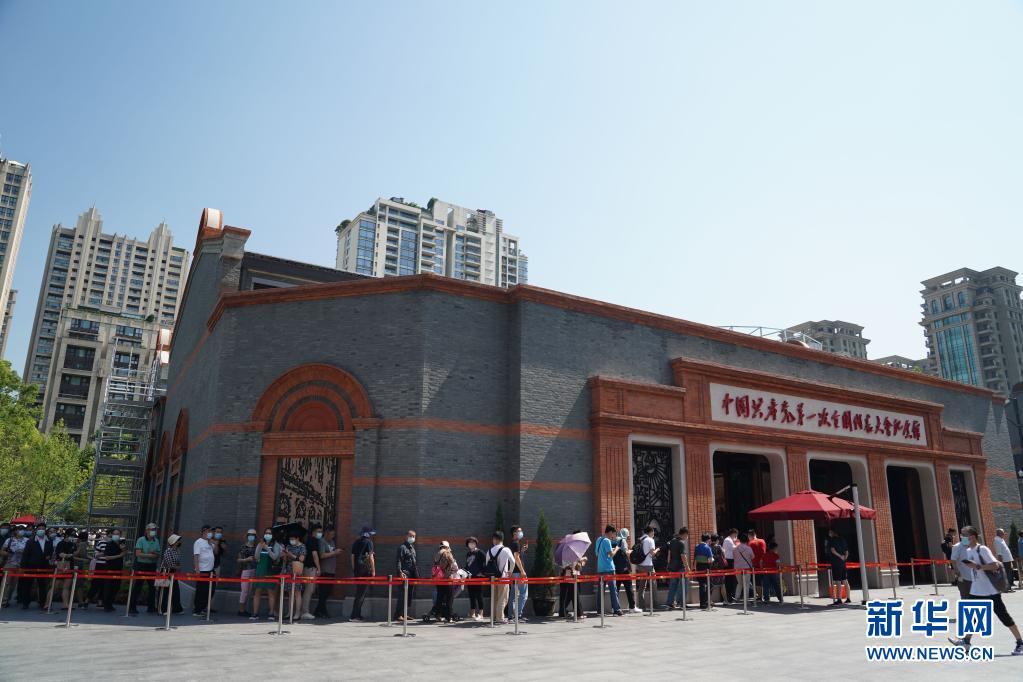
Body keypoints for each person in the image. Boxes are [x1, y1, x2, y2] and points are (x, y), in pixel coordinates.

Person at [948, 526, 1023, 656]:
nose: (962, 538)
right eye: (961, 535)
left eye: (964, 535)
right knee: (972, 617)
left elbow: (995, 565)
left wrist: (977, 566)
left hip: (990, 591)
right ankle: (966, 641)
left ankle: (1020, 643)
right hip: (976, 590)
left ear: (972, 537)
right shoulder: (969, 550)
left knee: (1004, 617)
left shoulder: (982, 549)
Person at [20, 522, 55, 609]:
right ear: (36, 530)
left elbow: (51, 552)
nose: (41, 530)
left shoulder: (49, 541)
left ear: (45, 530)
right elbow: (25, 554)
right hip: (30, 566)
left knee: (42, 585)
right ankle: (25, 602)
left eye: (43, 529)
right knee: (27, 585)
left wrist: (49, 556)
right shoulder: (30, 541)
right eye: (39, 529)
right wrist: (23, 566)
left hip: (43, 566)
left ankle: (42, 602)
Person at [250, 528, 282, 621]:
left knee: (270, 592)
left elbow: (274, 557)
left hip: (270, 570)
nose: (267, 535)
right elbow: (256, 557)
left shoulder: (275, 544)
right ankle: (255, 613)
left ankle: (271, 613)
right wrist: (261, 546)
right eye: (266, 533)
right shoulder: (260, 543)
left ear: (273, 535)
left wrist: (267, 548)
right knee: (257, 591)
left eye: (269, 533)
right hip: (260, 570)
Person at [131, 522, 161, 614]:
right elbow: (138, 554)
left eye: (155, 530)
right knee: (138, 586)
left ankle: (151, 607)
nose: (154, 531)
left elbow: (158, 553)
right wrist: (150, 555)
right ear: (147, 530)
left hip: (152, 565)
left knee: (152, 587)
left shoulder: (156, 540)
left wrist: (154, 554)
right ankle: (132, 607)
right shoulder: (141, 540)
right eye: (152, 529)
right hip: (141, 565)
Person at [427, 541, 459, 623]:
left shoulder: (437, 554)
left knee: (440, 598)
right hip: (447, 579)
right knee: (449, 599)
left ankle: (438, 615)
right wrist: (452, 572)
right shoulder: (447, 553)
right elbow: (455, 567)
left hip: (438, 579)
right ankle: (449, 617)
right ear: (447, 547)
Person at [487, 531, 515, 625]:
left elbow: (486, 564)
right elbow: (513, 561)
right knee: (503, 598)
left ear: (494, 539)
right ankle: (500, 618)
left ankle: (493, 617)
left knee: (494, 598)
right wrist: (510, 571)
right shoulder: (506, 549)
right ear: (502, 539)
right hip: (503, 577)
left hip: (492, 578)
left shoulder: (489, 551)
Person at [315, 525, 342, 618]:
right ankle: (323, 611)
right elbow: (322, 555)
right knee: (323, 592)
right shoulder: (322, 542)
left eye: (334, 534)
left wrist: (336, 551)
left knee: (327, 592)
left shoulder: (332, 542)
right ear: (326, 533)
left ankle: (318, 611)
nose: (332, 536)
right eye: (331, 534)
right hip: (324, 570)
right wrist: (334, 553)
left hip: (331, 570)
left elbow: (332, 552)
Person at [595, 524, 623, 616]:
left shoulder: (599, 540)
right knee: (613, 590)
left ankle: (600, 610)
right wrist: (616, 549)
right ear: (610, 532)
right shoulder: (607, 541)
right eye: (614, 534)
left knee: (600, 590)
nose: (613, 536)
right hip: (609, 568)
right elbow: (611, 554)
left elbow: (597, 553)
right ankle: (616, 609)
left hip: (600, 568)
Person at [350, 525, 376, 621]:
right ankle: (354, 616)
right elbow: (371, 557)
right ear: (368, 534)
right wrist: (373, 570)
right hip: (365, 570)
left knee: (359, 592)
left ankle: (357, 614)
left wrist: (354, 568)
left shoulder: (356, 542)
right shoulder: (369, 542)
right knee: (361, 593)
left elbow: (352, 556)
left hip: (357, 569)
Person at [0, 524, 28, 607]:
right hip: (10, 563)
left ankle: (8, 599)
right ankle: (3, 601)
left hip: (21, 564)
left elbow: (29, 552)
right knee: (6, 583)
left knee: (13, 584)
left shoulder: (27, 540)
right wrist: (8, 553)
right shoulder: (9, 540)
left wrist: (23, 552)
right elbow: (2, 551)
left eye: (23, 529)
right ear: (15, 531)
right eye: (19, 529)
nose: (21, 531)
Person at [299, 523, 323, 619]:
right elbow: (314, 555)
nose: (320, 533)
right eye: (319, 531)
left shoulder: (308, 540)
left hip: (306, 567)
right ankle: (304, 611)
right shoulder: (313, 540)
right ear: (313, 532)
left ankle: (303, 611)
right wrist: (319, 568)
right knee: (309, 590)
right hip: (310, 568)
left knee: (308, 589)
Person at [394, 529, 418, 621]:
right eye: (410, 536)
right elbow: (399, 560)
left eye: (414, 536)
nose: (412, 538)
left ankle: (405, 614)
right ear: (406, 536)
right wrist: (400, 572)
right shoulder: (402, 547)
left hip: (412, 574)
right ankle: (398, 615)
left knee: (409, 595)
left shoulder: (412, 548)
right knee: (402, 594)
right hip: (405, 573)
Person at [282, 530, 307, 620]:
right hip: (288, 570)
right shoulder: (288, 546)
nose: (291, 541)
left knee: (297, 592)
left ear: (297, 538)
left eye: (293, 539)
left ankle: (297, 613)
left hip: (297, 570)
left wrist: (290, 555)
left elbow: (301, 559)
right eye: (290, 539)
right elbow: (285, 560)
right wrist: (284, 555)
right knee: (289, 593)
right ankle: (290, 612)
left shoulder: (302, 547)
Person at [192, 525, 216, 616]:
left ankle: (202, 607)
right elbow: (196, 556)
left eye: (210, 532)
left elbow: (216, 551)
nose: (209, 533)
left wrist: (212, 542)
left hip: (211, 570)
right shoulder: (198, 542)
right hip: (202, 570)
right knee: (201, 590)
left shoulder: (210, 542)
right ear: (202, 532)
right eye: (207, 532)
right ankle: (197, 609)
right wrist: (197, 569)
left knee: (211, 590)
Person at [100, 528, 126, 612]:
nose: (116, 535)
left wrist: (123, 549)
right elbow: (107, 557)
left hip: (118, 568)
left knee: (116, 586)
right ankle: (106, 604)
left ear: (120, 535)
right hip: (109, 568)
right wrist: (119, 555)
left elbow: (124, 553)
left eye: (117, 534)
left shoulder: (121, 544)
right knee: (108, 586)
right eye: (114, 534)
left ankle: (110, 603)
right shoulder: (109, 544)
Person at [157, 533, 184, 615]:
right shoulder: (168, 551)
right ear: (173, 542)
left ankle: (177, 608)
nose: (179, 542)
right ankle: (162, 609)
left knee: (175, 590)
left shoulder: (178, 551)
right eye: (177, 540)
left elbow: (178, 563)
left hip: (173, 572)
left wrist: (177, 567)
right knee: (164, 591)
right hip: (165, 572)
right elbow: (170, 564)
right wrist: (178, 567)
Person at [613, 528, 638, 612]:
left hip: (616, 568)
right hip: (624, 568)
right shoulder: (622, 541)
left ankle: (615, 607)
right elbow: (626, 553)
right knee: (629, 587)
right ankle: (632, 607)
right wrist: (630, 551)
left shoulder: (614, 540)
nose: (627, 537)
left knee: (616, 588)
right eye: (627, 535)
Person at [507, 525, 529, 620]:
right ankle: (518, 614)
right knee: (523, 594)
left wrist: (522, 550)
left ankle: (510, 615)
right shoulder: (516, 544)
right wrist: (522, 571)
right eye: (519, 531)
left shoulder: (511, 543)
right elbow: (516, 558)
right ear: (514, 533)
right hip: (518, 572)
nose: (521, 532)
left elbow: (516, 556)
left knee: (513, 594)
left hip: (513, 572)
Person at [636, 525, 660, 610]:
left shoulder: (641, 539)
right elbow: (652, 554)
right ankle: (655, 604)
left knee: (642, 586)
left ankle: (642, 605)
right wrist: (657, 550)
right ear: (650, 532)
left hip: (640, 565)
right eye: (653, 532)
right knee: (653, 585)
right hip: (648, 565)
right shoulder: (650, 540)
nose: (654, 533)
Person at [825, 527, 851, 605]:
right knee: (845, 580)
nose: (829, 534)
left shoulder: (832, 540)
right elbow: (847, 551)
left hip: (836, 562)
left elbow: (833, 550)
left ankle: (839, 599)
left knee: (838, 581)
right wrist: (844, 558)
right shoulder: (843, 540)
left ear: (833, 532)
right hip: (843, 563)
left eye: (830, 532)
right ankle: (848, 598)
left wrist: (839, 556)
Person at [665, 527, 689, 609]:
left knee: (673, 585)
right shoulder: (681, 543)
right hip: (680, 567)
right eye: (687, 535)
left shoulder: (672, 542)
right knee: (683, 586)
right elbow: (683, 556)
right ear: (685, 534)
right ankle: (681, 603)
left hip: (672, 567)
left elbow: (669, 554)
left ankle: (669, 602)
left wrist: (668, 564)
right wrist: (687, 567)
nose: (687, 537)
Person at [236, 529, 258, 617]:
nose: (251, 536)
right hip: (245, 570)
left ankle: (247, 609)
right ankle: (241, 610)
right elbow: (238, 560)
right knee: (244, 591)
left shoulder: (257, 547)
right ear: (247, 536)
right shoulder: (243, 547)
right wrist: (246, 559)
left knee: (251, 591)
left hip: (255, 570)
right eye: (249, 535)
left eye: (253, 535)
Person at [54, 530, 78, 610]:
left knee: (67, 587)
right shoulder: (60, 543)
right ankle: (47, 603)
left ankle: (66, 605)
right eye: (72, 535)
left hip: (70, 566)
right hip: (61, 566)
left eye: (74, 535)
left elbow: (75, 554)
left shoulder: (73, 544)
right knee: (55, 586)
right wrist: (69, 555)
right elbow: (60, 554)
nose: (73, 537)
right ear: (67, 535)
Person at [464, 536, 487, 621]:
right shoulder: (468, 554)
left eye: (473, 542)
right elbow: (467, 565)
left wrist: (483, 572)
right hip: (470, 577)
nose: (471, 544)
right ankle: (472, 612)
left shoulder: (480, 552)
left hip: (478, 577)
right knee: (471, 595)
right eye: (470, 543)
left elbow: (487, 561)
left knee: (479, 595)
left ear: (476, 543)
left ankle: (481, 613)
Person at [732, 532, 755, 604]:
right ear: (747, 540)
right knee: (746, 584)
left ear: (740, 540)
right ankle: (746, 599)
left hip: (737, 568)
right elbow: (753, 557)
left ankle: (737, 597)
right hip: (746, 568)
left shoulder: (735, 549)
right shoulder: (749, 548)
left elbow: (733, 557)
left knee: (739, 583)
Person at [693, 533, 713, 609]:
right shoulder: (707, 548)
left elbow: (695, 558)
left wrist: (694, 568)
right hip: (706, 567)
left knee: (701, 585)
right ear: (708, 539)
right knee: (710, 585)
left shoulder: (697, 546)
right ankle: (707, 601)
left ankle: (702, 603)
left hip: (698, 567)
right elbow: (710, 560)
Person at [722, 528, 738, 604]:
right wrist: (737, 543)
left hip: (731, 560)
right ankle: (729, 597)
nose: (736, 536)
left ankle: (731, 596)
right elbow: (734, 549)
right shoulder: (728, 540)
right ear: (733, 533)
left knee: (731, 579)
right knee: (729, 579)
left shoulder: (730, 540)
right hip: (729, 561)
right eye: (736, 534)